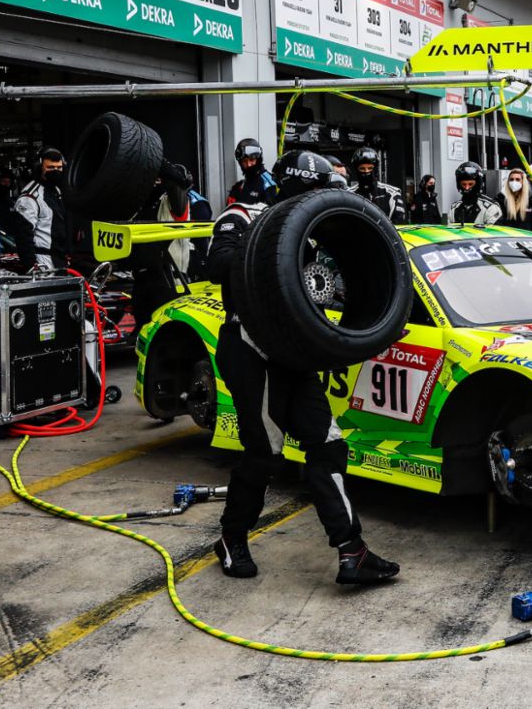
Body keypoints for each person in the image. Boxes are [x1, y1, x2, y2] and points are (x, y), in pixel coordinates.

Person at [206, 150, 398, 585]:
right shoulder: (240, 216)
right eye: (313, 190)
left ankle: (353, 551)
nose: (319, 198)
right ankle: (231, 538)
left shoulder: (313, 231)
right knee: (263, 454)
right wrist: (265, 244)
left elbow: (328, 288)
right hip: (249, 348)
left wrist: (375, 320)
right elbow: (215, 264)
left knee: (328, 446)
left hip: (294, 354)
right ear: (294, 185)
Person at [128, 161, 193, 336]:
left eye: (157, 177)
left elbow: (177, 181)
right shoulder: (140, 204)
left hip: (169, 281)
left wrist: (152, 158)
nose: (154, 180)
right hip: (142, 280)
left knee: (168, 335)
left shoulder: (175, 202)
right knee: (144, 336)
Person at [9, 148, 69, 271]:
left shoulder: (56, 191)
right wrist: (32, 266)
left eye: (59, 167)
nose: (55, 171)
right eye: (50, 167)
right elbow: (23, 237)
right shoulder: (30, 197)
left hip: (60, 260)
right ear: (39, 168)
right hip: (42, 262)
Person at [349, 147, 405, 223]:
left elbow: (398, 222)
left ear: (375, 169)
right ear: (356, 170)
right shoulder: (349, 194)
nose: (366, 171)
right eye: (362, 168)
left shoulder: (392, 193)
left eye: (370, 168)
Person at [226, 138, 278, 206]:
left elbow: (274, 212)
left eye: (251, 160)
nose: (248, 164)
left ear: (258, 159)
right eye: (244, 161)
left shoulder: (269, 183)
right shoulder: (238, 187)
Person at [449, 161, 501, 225]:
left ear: (478, 184)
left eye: (470, 184)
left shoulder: (491, 208)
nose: (467, 188)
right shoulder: (454, 208)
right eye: (463, 184)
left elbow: (495, 233)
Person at [497, 165, 532, 229]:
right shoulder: (501, 199)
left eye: (517, 179)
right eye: (511, 179)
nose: (514, 182)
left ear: (523, 182)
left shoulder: (531, 200)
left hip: (526, 237)